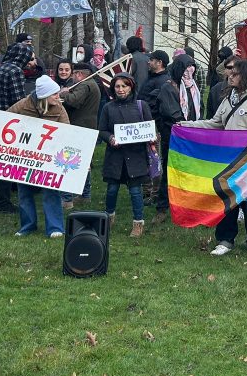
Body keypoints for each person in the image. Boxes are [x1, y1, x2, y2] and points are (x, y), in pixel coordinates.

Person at [189, 58, 247, 260]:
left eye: (235, 73)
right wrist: (188, 125)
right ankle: (225, 240)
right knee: (227, 199)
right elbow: (215, 123)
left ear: (246, 76)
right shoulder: (228, 99)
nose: (229, 76)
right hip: (228, 160)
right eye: (230, 72)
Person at [8, 76, 69, 238]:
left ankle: (55, 228)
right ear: (45, 96)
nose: (58, 96)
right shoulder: (23, 105)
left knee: (51, 191)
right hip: (24, 155)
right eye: (54, 94)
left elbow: (67, 131)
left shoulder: (59, 108)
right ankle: (27, 226)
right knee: (24, 191)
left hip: (49, 157)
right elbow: (4, 120)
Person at [97, 73, 153, 238]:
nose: (121, 89)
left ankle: (138, 222)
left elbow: (149, 127)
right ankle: (108, 218)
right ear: (113, 88)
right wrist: (110, 138)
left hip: (135, 156)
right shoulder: (108, 108)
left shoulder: (141, 106)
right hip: (115, 156)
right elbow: (102, 130)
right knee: (112, 189)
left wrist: (152, 137)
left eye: (124, 86)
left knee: (135, 191)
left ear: (131, 87)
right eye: (117, 86)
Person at [0, 41, 34, 212]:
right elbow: (18, 101)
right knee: (7, 161)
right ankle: (3, 201)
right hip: (9, 121)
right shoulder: (15, 71)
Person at [151, 53, 197, 222]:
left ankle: (185, 204)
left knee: (187, 170)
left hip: (189, 135)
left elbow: (196, 108)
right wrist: (188, 126)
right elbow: (172, 113)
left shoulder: (191, 87)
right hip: (172, 136)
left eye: (192, 67)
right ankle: (162, 207)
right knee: (169, 170)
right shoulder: (168, 88)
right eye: (186, 67)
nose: (190, 71)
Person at [59, 62, 102, 209]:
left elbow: (74, 101)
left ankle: (67, 199)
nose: (72, 77)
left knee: (68, 162)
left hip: (79, 128)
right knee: (84, 163)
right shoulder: (92, 84)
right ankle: (85, 195)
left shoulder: (84, 85)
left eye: (73, 73)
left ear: (79, 74)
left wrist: (64, 93)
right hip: (87, 127)